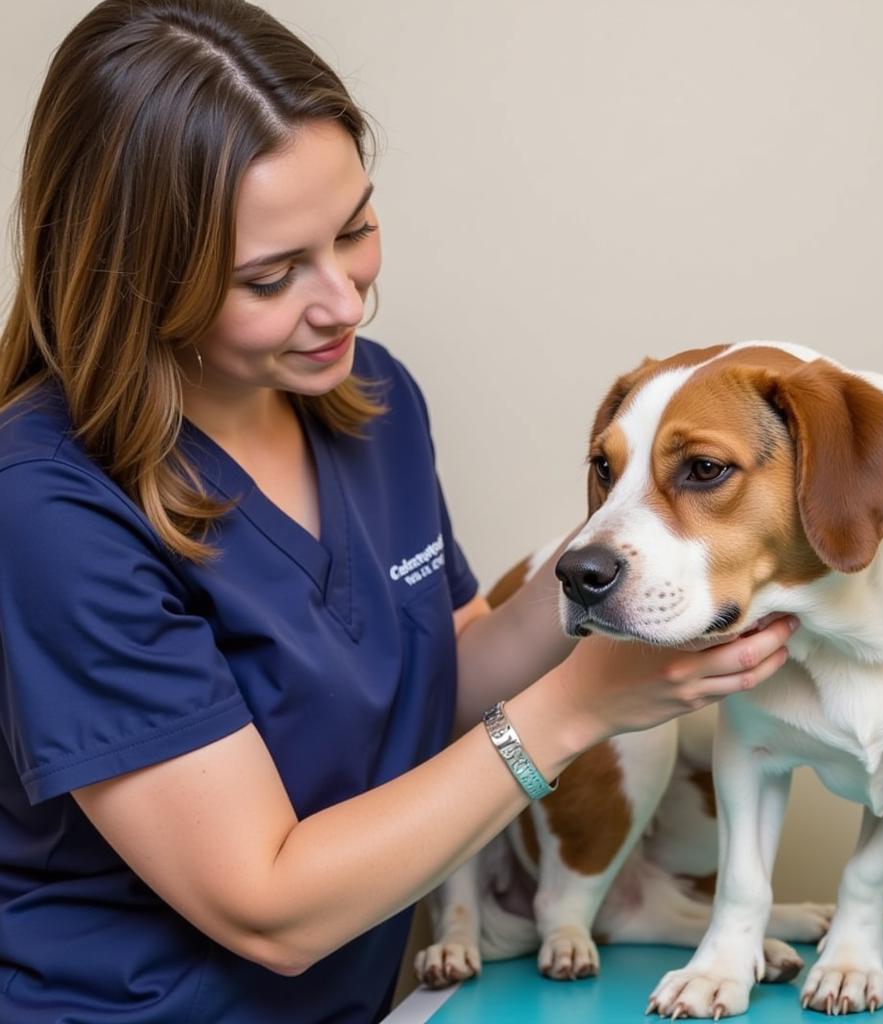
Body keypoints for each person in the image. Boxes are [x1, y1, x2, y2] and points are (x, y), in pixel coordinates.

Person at [0, 2, 796, 1021]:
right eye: (271, 275)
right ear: (138, 276)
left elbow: (430, 671)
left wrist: (616, 559)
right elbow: (268, 906)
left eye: (355, 229)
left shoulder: (368, 399)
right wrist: (576, 709)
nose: (343, 300)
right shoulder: (51, 504)